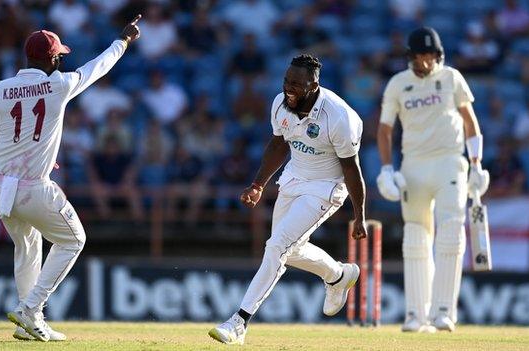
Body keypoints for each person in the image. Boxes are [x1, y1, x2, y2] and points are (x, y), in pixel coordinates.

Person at [0, 16, 142, 342]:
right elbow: (99, 66)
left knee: (28, 248)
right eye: (59, 57)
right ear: (51, 59)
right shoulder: (59, 84)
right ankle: (30, 309)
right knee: (74, 240)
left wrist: (23, 150)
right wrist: (122, 41)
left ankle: (29, 321)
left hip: (1, 187)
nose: (61, 61)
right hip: (33, 189)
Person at [209, 54, 367, 345]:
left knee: (277, 245)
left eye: (296, 83)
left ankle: (239, 322)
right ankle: (337, 275)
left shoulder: (339, 116)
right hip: (293, 179)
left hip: (325, 187)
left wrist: (359, 216)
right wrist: (258, 185)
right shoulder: (280, 103)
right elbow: (278, 144)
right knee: (287, 250)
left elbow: (351, 168)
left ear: (314, 84)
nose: (289, 88)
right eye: (286, 81)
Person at [376, 27, 490, 333]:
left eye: (430, 56)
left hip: (450, 162)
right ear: (411, 57)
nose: (425, 62)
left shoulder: (451, 78)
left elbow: (470, 122)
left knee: (451, 229)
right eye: (419, 56)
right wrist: (387, 169)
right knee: (415, 237)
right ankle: (416, 314)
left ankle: (443, 311)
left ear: (438, 55)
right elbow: (385, 130)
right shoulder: (398, 84)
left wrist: (477, 165)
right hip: (413, 166)